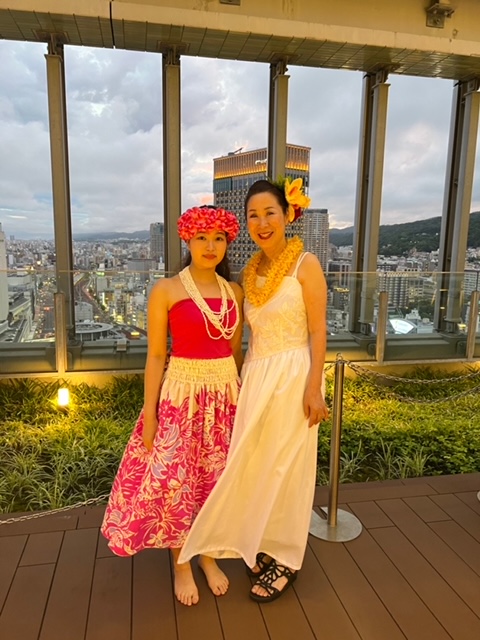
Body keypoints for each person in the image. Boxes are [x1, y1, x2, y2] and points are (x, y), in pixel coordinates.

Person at [179, 177, 329, 603]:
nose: (262, 223)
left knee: (288, 467)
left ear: (287, 215)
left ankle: (288, 557)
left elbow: (318, 331)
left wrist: (314, 388)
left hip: (293, 373)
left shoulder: (306, 265)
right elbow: (239, 337)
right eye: (253, 215)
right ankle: (261, 541)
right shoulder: (249, 271)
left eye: (270, 213)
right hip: (256, 375)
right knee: (255, 463)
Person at [101, 205, 244, 607]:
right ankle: (182, 561)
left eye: (218, 238)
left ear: (227, 243)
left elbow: (235, 352)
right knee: (175, 483)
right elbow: (155, 356)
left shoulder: (235, 292)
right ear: (188, 240)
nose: (210, 246)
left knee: (215, 481)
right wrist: (150, 414)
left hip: (224, 396)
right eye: (202, 238)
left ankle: (208, 555)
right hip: (181, 395)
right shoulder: (166, 289)